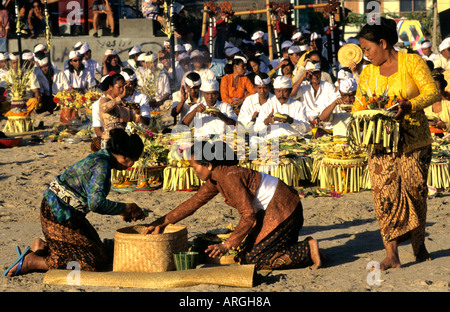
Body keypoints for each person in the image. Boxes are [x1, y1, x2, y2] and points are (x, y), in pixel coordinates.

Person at [144, 140, 323, 271]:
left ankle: (308, 249)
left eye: (195, 167)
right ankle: (299, 249)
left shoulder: (228, 177)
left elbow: (248, 215)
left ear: (209, 164)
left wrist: (227, 245)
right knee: (246, 254)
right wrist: (162, 222)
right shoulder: (217, 177)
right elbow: (194, 202)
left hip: (285, 210)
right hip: (280, 208)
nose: (194, 172)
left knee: (253, 260)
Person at [354, 18, 440, 271]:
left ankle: (418, 245)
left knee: (416, 194)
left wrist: (408, 105)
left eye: (368, 49)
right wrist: (361, 115)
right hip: (380, 144)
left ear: (382, 43)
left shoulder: (411, 61)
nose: (366, 55)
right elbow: (359, 104)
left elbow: (432, 92)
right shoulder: (368, 72)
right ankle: (392, 255)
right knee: (385, 197)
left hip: (414, 140)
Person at [2, 129, 146, 277]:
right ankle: (32, 261)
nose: (130, 166)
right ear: (124, 157)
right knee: (90, 262)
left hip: (68, 212)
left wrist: (120, 210)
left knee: (102, 253)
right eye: (132, 161)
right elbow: (96, 203)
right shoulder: (102, 166)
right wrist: (123, 209)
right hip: (57, 212)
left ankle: (43, 247)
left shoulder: (102, 157)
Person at [98, 73, 144, 148]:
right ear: (110, 87)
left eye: (124, 87)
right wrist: (120, 97)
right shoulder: (105, 100)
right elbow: (104, 108)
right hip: (109, 140)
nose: (122, 90)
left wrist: (137, 113)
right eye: (119, 87)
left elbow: (133, 123)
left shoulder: (124, 103)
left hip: (123, 140)